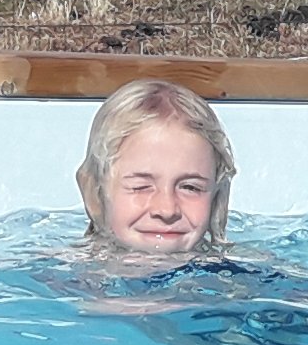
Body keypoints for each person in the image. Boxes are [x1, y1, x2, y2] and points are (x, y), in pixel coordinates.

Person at [74, 78, 235, 260]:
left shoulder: (238, 279)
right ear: (95, 194)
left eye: (190, 188)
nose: (166, 210)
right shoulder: (64, 277)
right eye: (141, 186)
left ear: (216, 196)